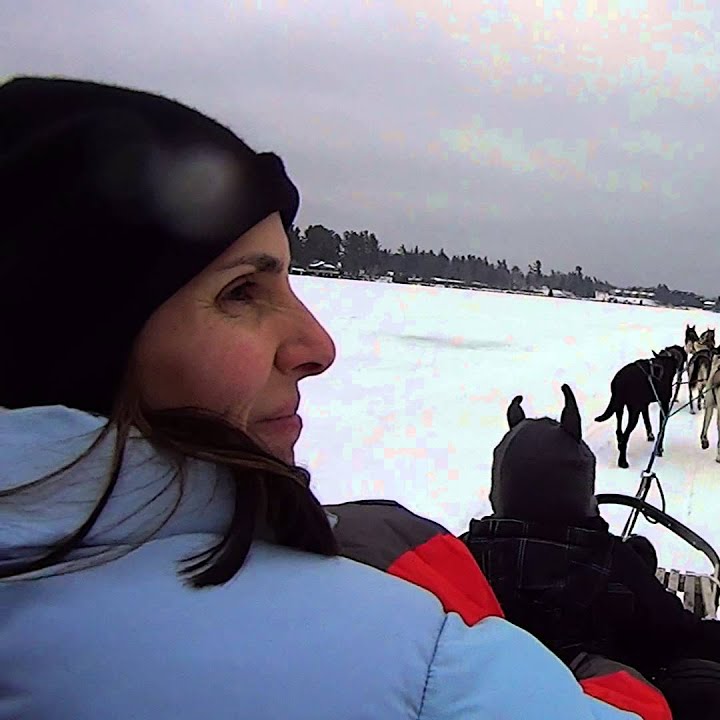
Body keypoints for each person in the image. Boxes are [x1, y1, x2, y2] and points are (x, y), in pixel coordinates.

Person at [0, 75, 670, 720]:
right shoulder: (413, 663)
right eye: (242, 293)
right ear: (72, 336)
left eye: (289, 284)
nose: (320, 345)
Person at [461, 385, 720, 720]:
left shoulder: (466, 553)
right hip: (590, 696)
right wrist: (715, 641)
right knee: (710, 685)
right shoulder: (609, 560)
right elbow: (674, 627)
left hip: (494, 690)